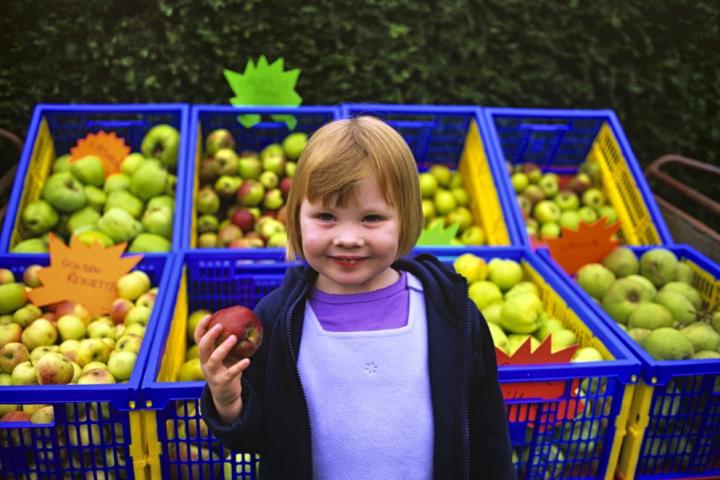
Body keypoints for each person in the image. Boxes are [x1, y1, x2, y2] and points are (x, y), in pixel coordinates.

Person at [196, 115, 515, 479]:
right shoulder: (278, 317)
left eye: (372, 218)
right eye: (326, 216)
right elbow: (254, 437)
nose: (348, 237)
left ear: (406, 219)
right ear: (296, 219)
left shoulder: (451, 313)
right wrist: (227, 399)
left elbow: (488, 430)